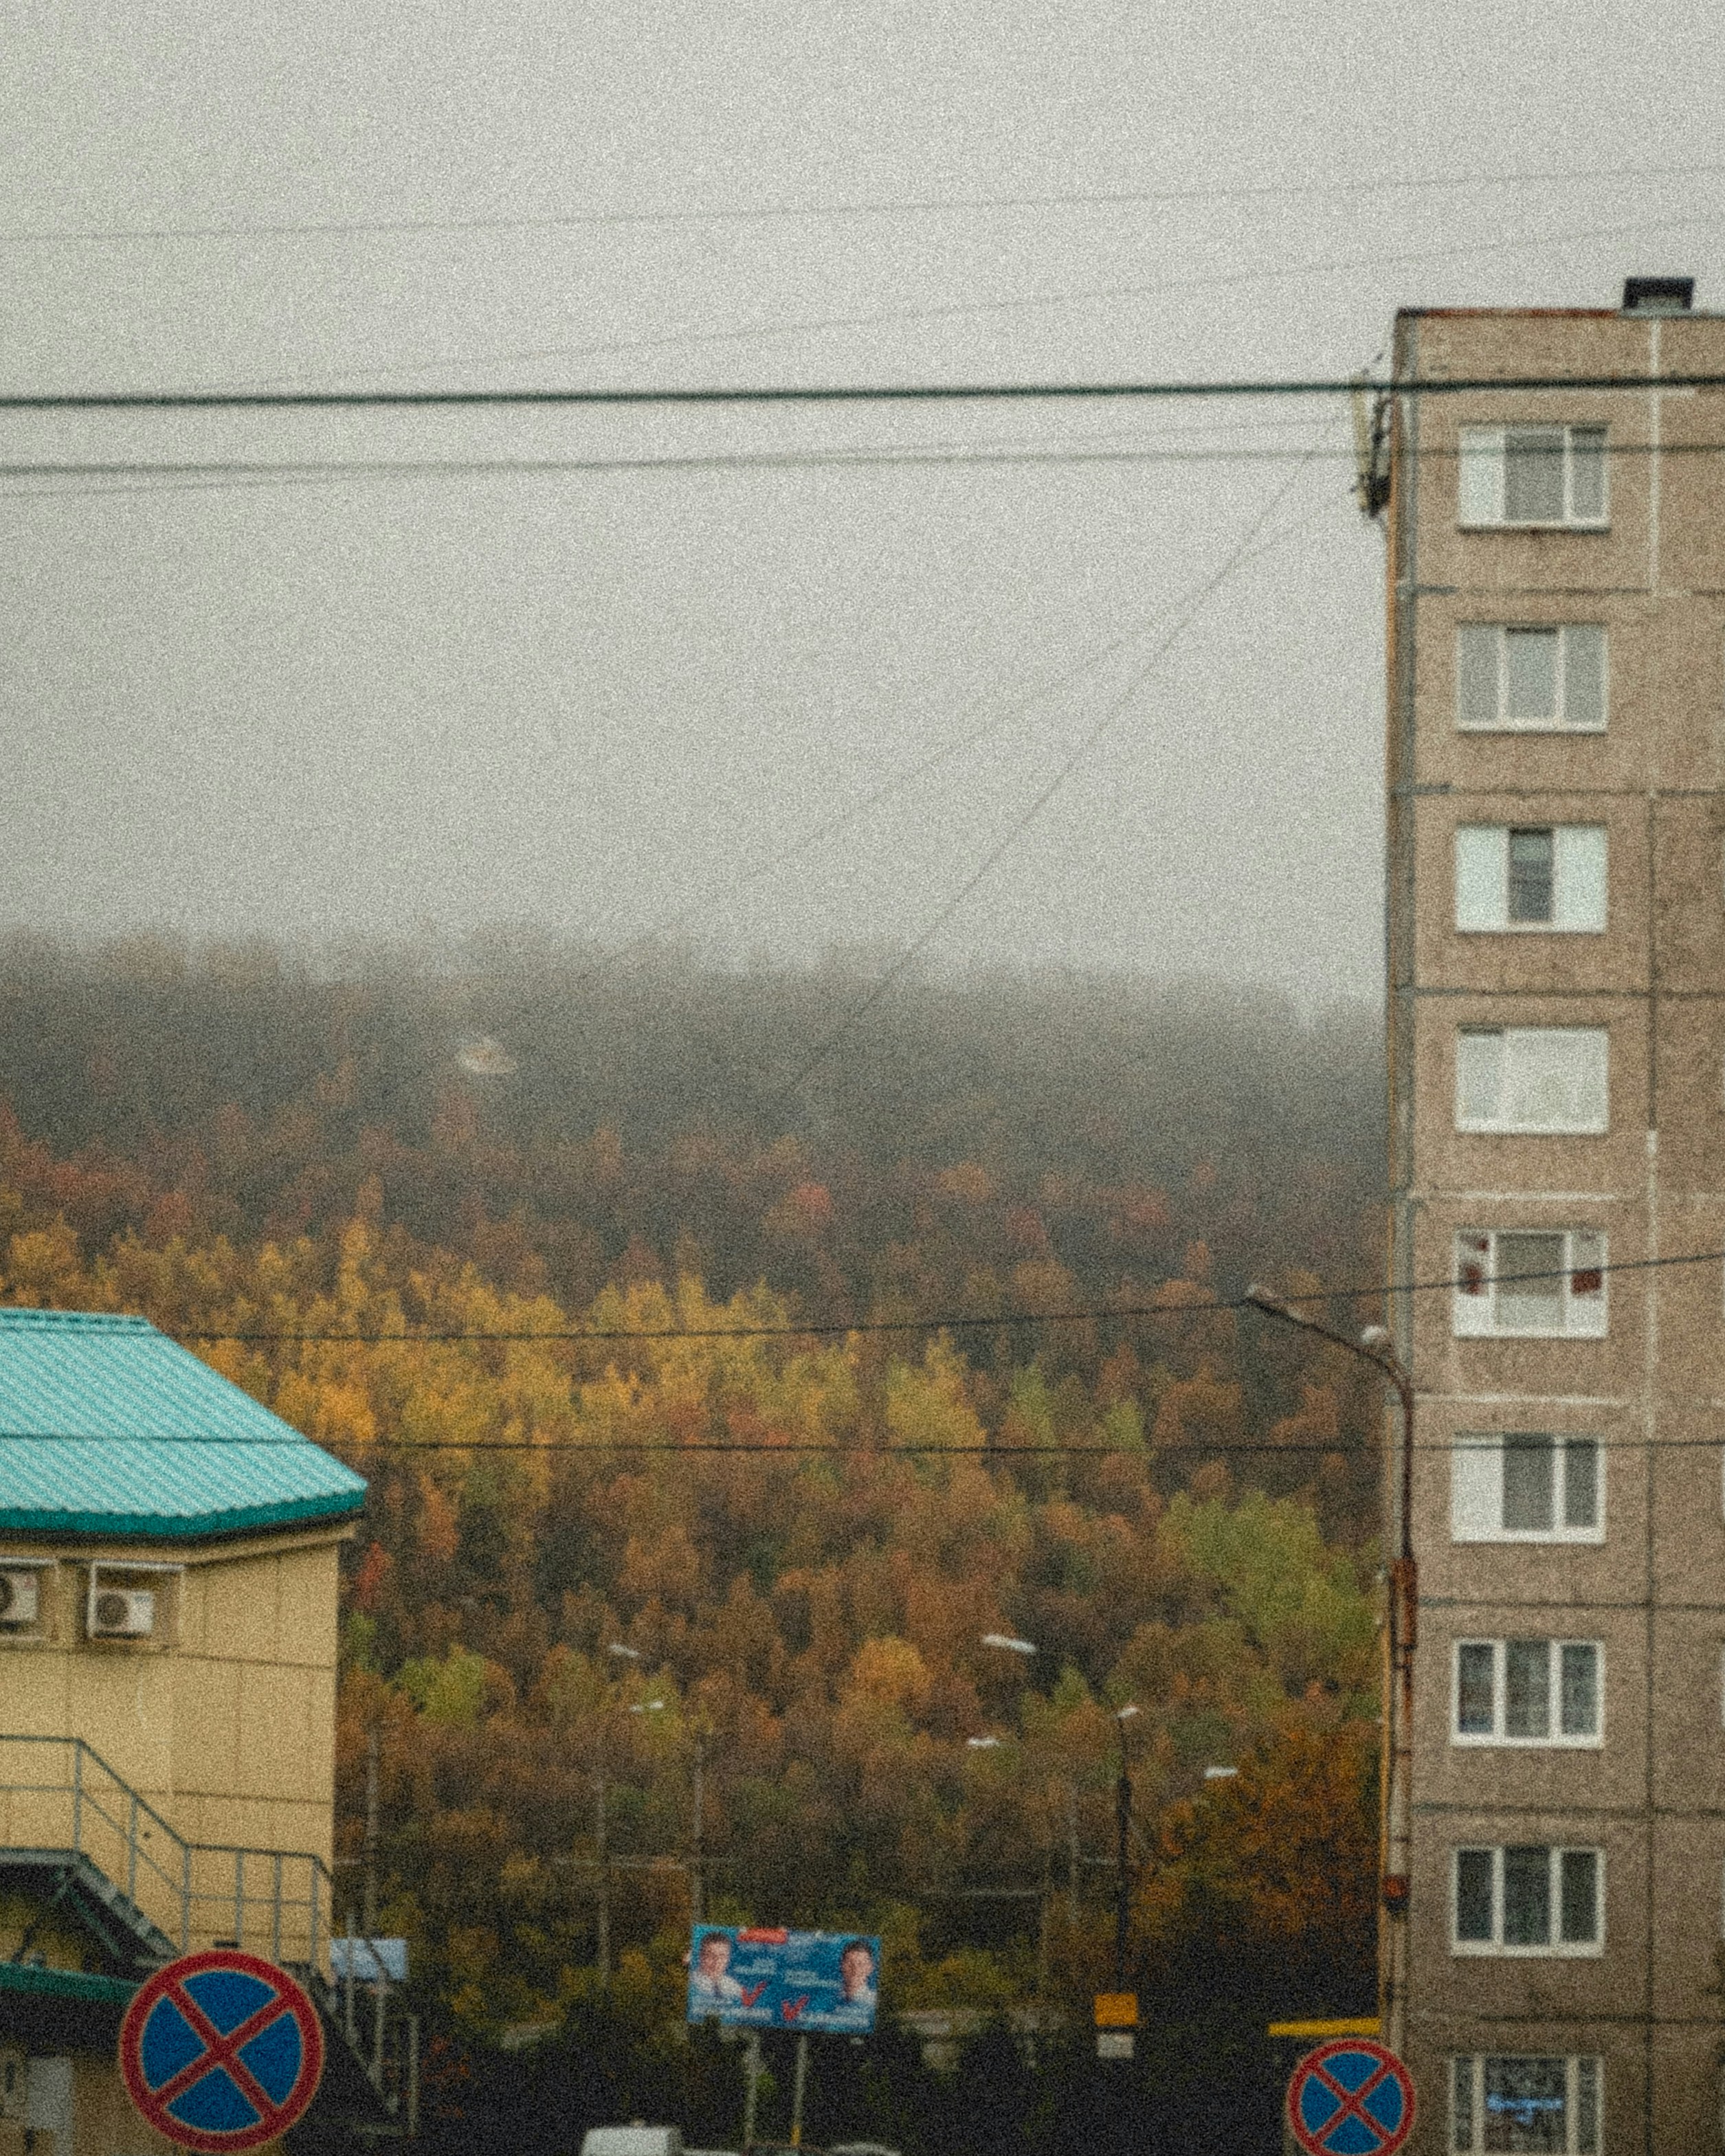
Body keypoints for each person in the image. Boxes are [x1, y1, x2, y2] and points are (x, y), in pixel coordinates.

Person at [689, 1931, 745, 2006]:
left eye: (722, 1956)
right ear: (701, 1956)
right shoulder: (691, 1982)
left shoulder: (734, 1987)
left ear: (728, 1958)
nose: (717, 1962)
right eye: (711, 1955)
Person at [837, 1939, 876, 2011]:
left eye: (860, 1964)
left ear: (870, 1968)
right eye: (850, 1963)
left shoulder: (873, 2002)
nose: (855, 1969)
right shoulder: (829, 1996)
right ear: (841, 1965)